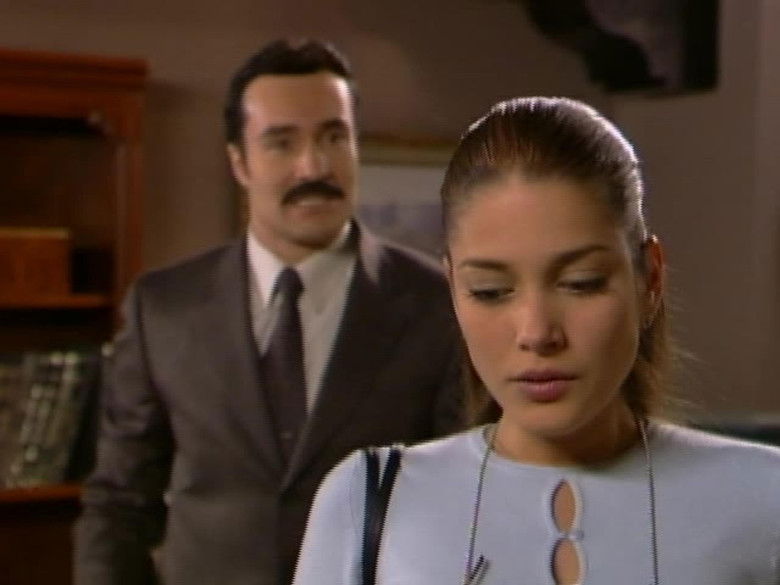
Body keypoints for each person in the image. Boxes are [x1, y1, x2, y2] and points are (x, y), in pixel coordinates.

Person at [292, 96, 780, 585]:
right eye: (490, 291)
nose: (537, 333)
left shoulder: (763, 497)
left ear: (649, 279)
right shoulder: (369, 500)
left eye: (581, 283)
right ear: (454, 291)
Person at [74, 39, 464, 585]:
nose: (314, 165)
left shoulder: (436, 304)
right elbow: (119, 504)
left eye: (334, 137)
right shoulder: (164, 308)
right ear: (239, 162)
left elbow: (460, 502)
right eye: (282, 143)